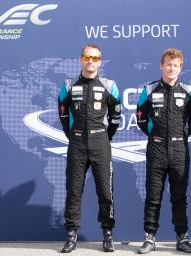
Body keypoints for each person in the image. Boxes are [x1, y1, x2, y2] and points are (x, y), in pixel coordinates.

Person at [136, 48, 191, 254]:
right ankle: (149, 238)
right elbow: (141, 119)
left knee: (179, 196)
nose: (171, 68)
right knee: (153, 196)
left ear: (181, 68)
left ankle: (182, 238)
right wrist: (155, 135)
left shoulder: (189, 91)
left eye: (176, 65)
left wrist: (179, 137)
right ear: (161, 66)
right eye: (168, 64)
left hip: (179, 150)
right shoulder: (149, 90)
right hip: (156, 149)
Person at [58, 44, 121, 253]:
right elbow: (63, 115)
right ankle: (71, 235)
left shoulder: (109, 85)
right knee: (73, 191)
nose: (90, 61)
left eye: (95, 58)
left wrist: (104, 136)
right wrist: (73, 135)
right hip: (76, 144)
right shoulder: (68, 85)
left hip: (100, 143)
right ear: (80, 59)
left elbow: (115, 118)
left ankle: (107, 235)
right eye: (87, 57)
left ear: (100, 61)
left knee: (105, 191)